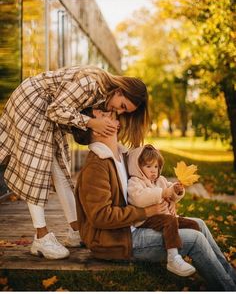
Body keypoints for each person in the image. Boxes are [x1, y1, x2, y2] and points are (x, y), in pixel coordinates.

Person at [74, 108, 236, 291]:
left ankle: (231, 277)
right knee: (195, 239)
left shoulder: (122, 157)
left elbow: (148, 185)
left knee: (200, 225)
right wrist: (147, 211)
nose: (110, 114)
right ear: (96, 129)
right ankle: (228, 288)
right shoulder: (96, 167)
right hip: (117, 240)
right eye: (103, 116)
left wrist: (170, 198)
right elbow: (101, 216)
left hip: (137, 226)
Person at [0, 65, 149, 260]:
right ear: (120, 91)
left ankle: (75, 229)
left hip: (46, 109)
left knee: (60, 169)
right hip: (32, 102)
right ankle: (41, 237)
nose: (118, 112)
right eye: (122, 106)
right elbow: (56, 110)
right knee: (35, 167)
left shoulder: (104, 93)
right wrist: (92, 122)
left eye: (124, 111)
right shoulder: (91, 83)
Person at [127, 144, 200, 277]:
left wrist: (177, 191)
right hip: (145, 219)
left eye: (156, 166)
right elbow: (139, 198)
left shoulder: (160, 180)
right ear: (137, 167)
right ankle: (173, 258)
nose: (153, 170)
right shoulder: (135, 181)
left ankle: (192, 255)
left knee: (193, 225)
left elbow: (170, 191)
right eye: (148, 166)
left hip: (164, 217)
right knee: (170, 221)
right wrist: (162, 193)